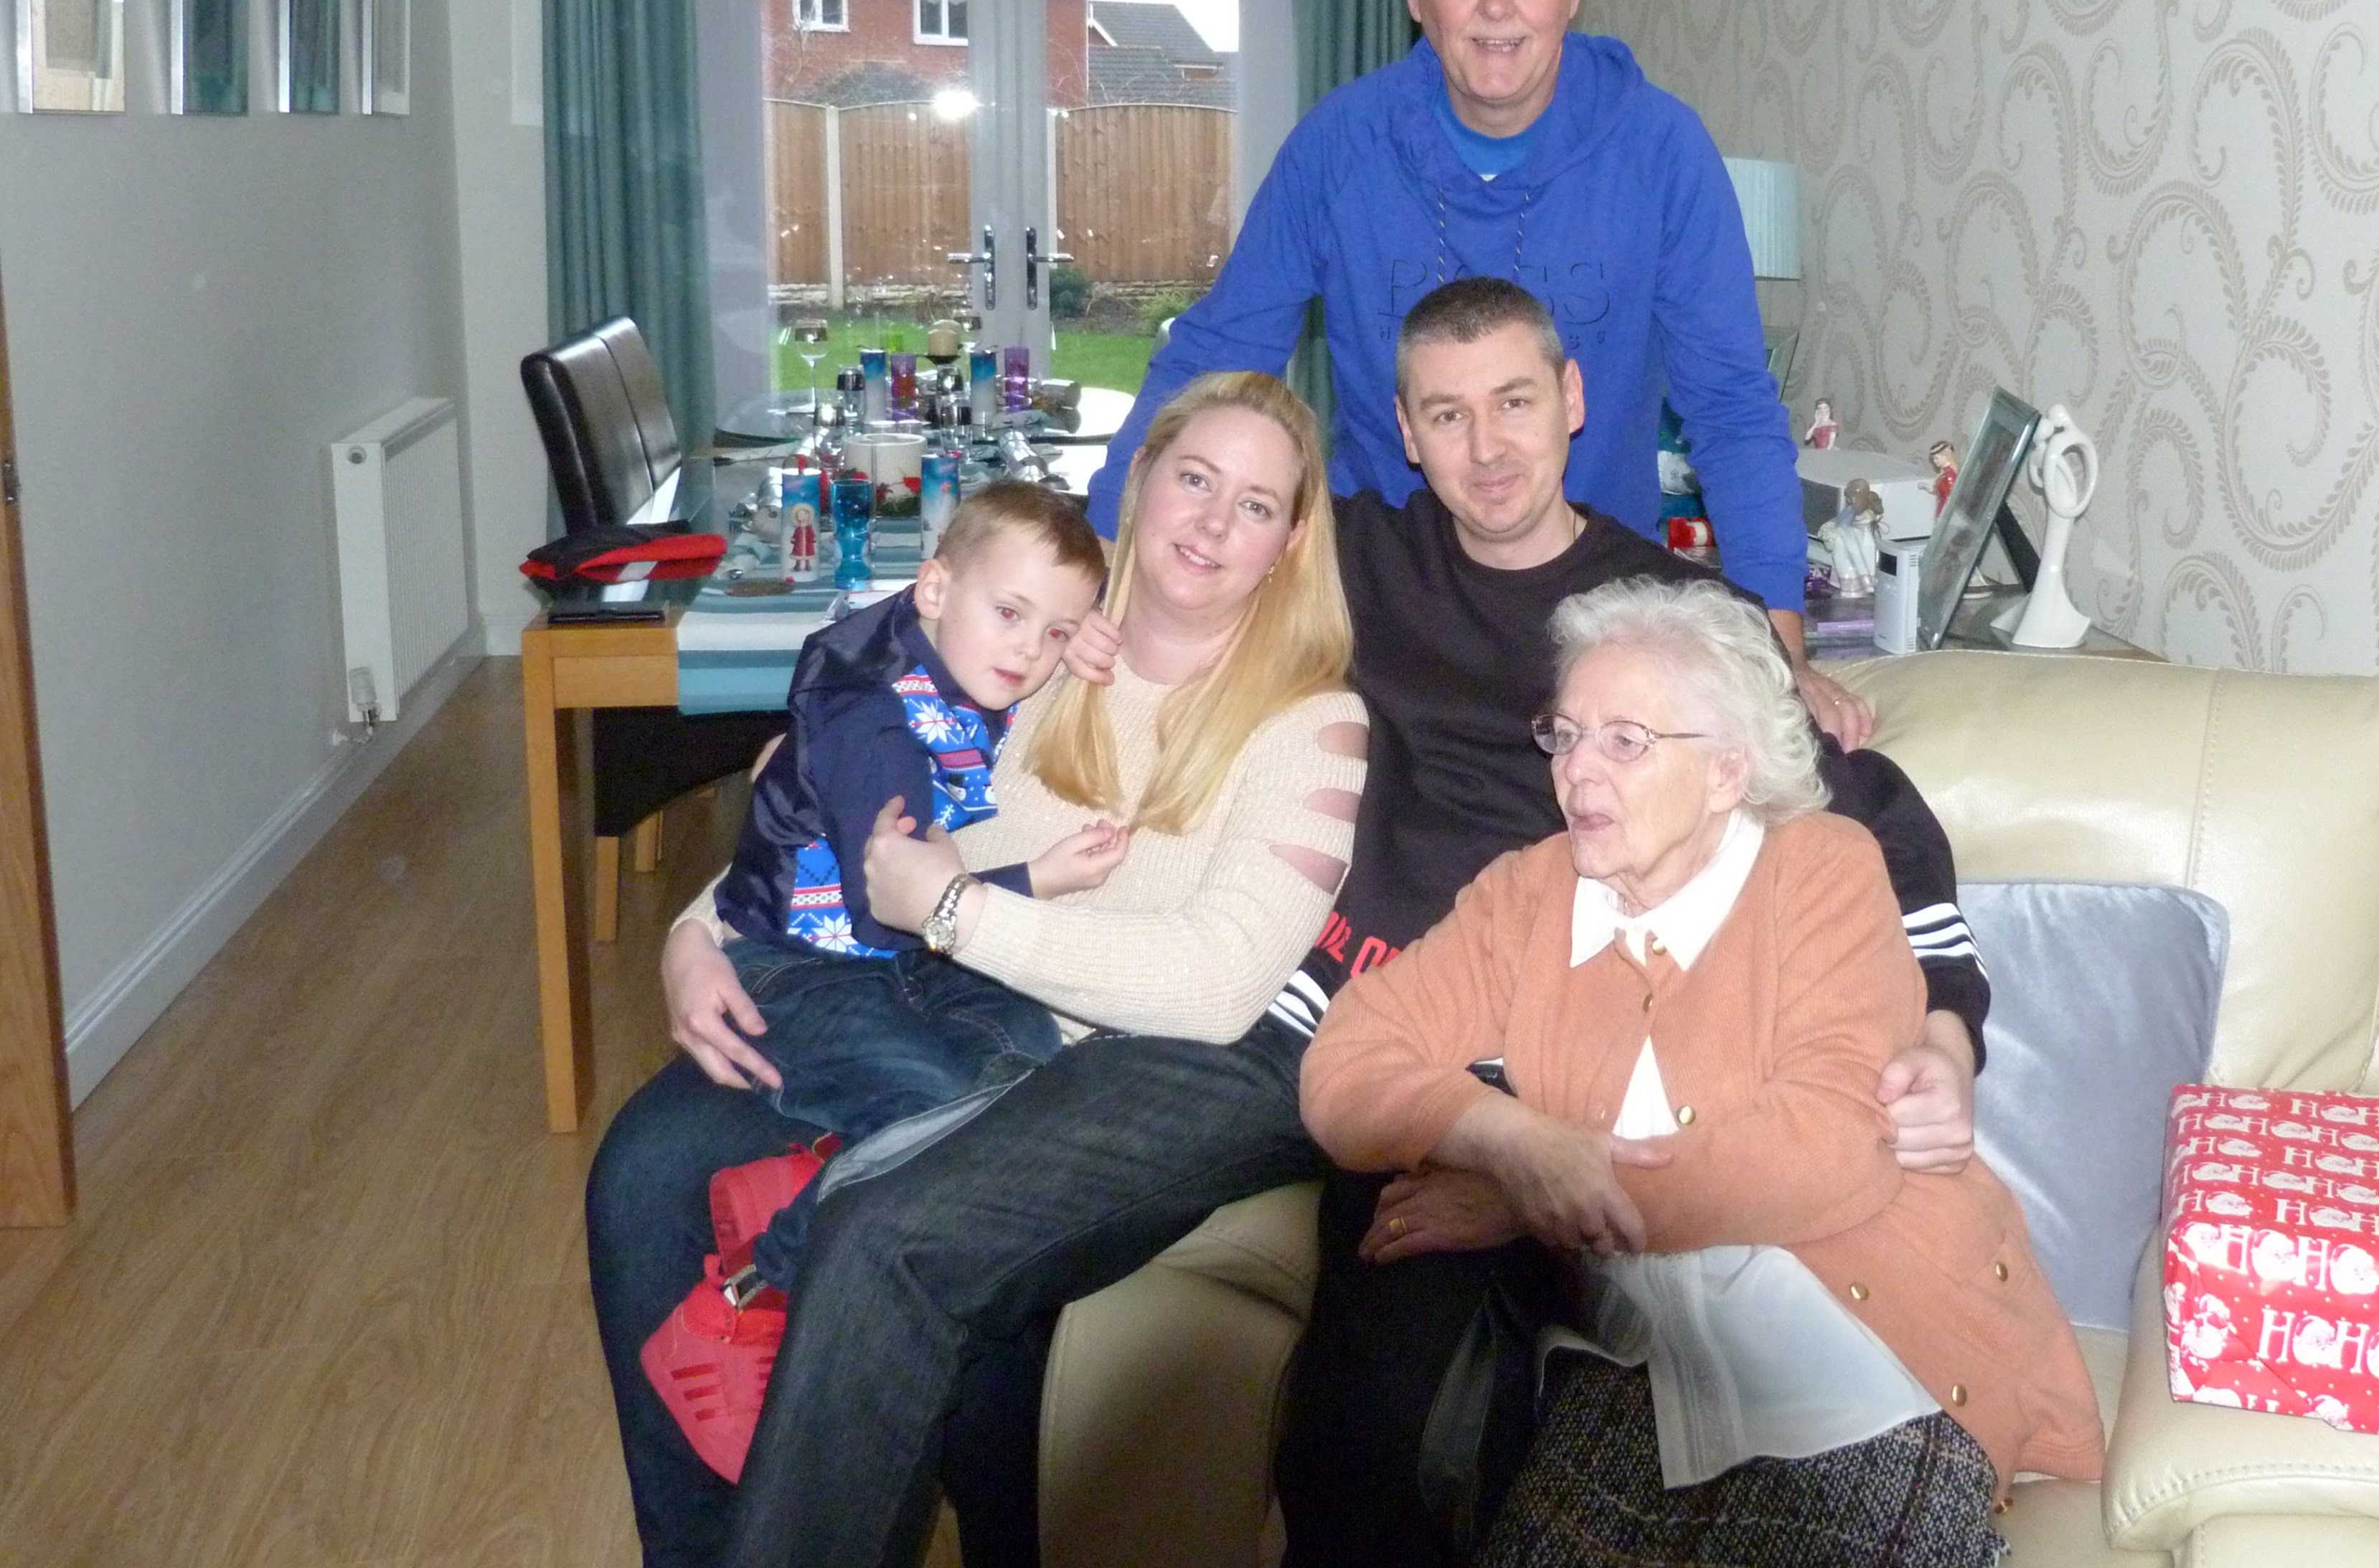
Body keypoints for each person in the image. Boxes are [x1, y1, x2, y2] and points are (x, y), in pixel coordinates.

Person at [708, 283, 1984, 1568]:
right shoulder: (1346, 556)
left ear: (1573, 401)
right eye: (1446, 413)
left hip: (1483, 1073)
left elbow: (1861, 812)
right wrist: (721, 904)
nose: (1486, 447)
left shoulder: (1669, 614)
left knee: (1365, 1440)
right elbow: (1024, 606)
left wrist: (1944, 1025)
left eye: (1514, 403)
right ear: (1406, 432)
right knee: (896, 1237)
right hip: (1276, 1029)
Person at [587, 370, 1367, 1567]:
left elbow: (1220, 982)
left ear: (1292, 542)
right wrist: (695, 932)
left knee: (896, 1243)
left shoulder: (1312, 726)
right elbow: (833, 801)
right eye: (1195, 479)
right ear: (1139, 482)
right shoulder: (1037, 643)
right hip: (888, 990)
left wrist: (958, 911)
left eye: (1256, 505)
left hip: (1070, 1065)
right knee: (642, 1169)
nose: (1214, 522)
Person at [1302, 577, 2102, 1567]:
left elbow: (1825, 1147)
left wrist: (1544, 1198)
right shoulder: (1532, 893)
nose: (1577, 771)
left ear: (1727, 772)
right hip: (1642, 1360)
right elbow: (1346, 1061)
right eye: (1566, 735)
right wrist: (1508, 1141)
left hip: (1865, 1342)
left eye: (1626, 742)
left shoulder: (1822, 870)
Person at [1085, 0, 1874, 747]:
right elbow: (1214, 360)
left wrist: (1782, 657)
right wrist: (1105, 566)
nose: (1497, 6)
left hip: (1596, 606)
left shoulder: (1662, 152)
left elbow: (1730, 405)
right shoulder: (1339, 148)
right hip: (1383, 602)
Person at [635, 481, 1113, 1480]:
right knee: (935, 1104)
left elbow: (1005, 624)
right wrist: (1038, 879)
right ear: (934, 589)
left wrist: (1070, 644)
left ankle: (820, 1181)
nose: (1028, 651)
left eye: (1056, 633)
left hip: (897, 959)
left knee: (1028, 1075)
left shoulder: (957, 647)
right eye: (1010, 614)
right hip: (800, 963)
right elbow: (891, 903)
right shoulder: (873, 723)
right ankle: (756, 1287)